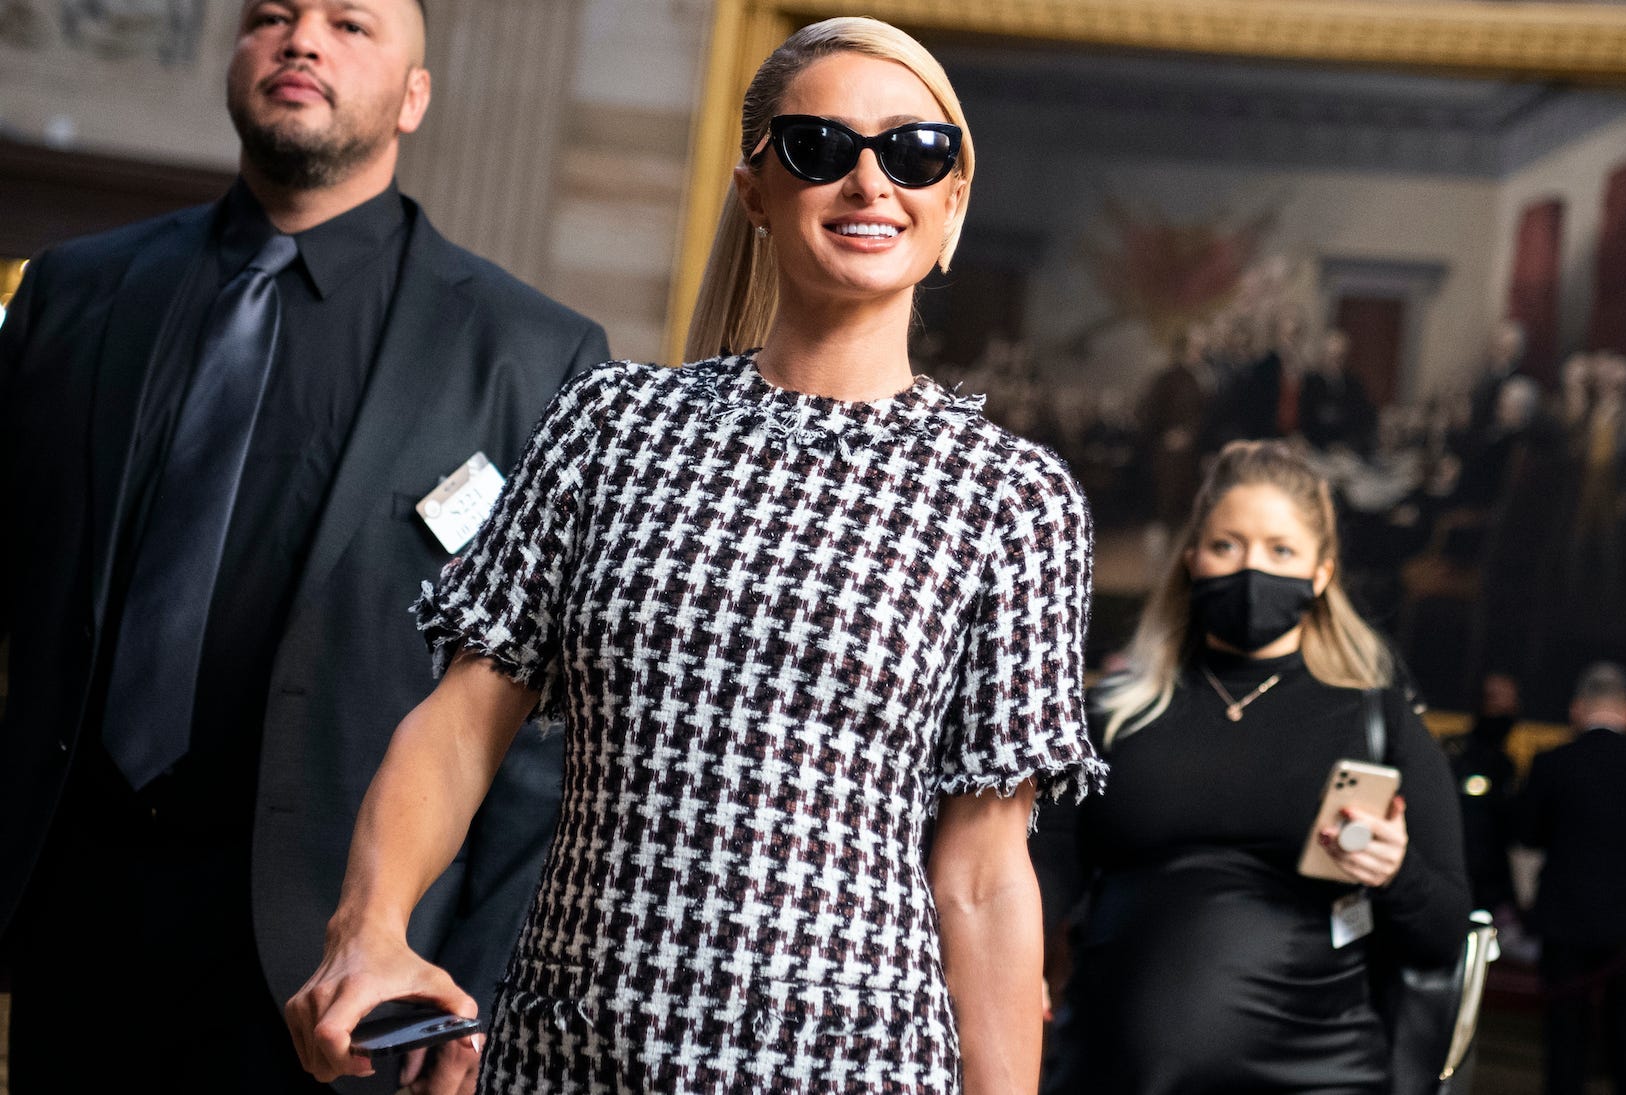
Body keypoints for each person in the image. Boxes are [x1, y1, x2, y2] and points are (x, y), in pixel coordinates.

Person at [283, 16, 1105, 1094]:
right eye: (820, 147)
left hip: (856, 1068)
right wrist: (369, 927)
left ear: (950, 207)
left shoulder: (1011, 498)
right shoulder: (612, 424)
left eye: (913, 152)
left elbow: (986, 878)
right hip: (576, 1054)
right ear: (756, 189)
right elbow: (459, 728)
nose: (869, 183)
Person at [0, 1, 608, 1090]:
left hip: (339, 980)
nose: (301, 39)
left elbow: (540, 740)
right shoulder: (72, 293)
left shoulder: (531, 356)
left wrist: (467, 995)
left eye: (350, 24)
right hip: (70, 916)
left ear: (414, 97)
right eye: (271, 15)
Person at [1038, 439, 1471, 1094]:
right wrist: (1018, 965)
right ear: (1192, 560)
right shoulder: (1114, 714)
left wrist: (1395, 872)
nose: (1251, 567)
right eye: (1226, 546)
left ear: (1321, 572)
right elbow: (1043, 871)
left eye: (1281, 550)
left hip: (1320, 1073)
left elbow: (1442, 936)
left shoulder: (1377, 721)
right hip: (1112, 1065)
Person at [1514, 663, 1626, 1095]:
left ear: (1578, 709)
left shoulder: (1551, 763)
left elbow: (1526, 834)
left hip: (1564, 918)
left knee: (1564, 1042)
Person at [1449, 671, 1522, 919]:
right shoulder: (1457, 754)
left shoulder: (1505, 764)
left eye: (1508, 704)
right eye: (1493, 701)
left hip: (1490, 886)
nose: (1500, 711)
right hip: (1456, 873)